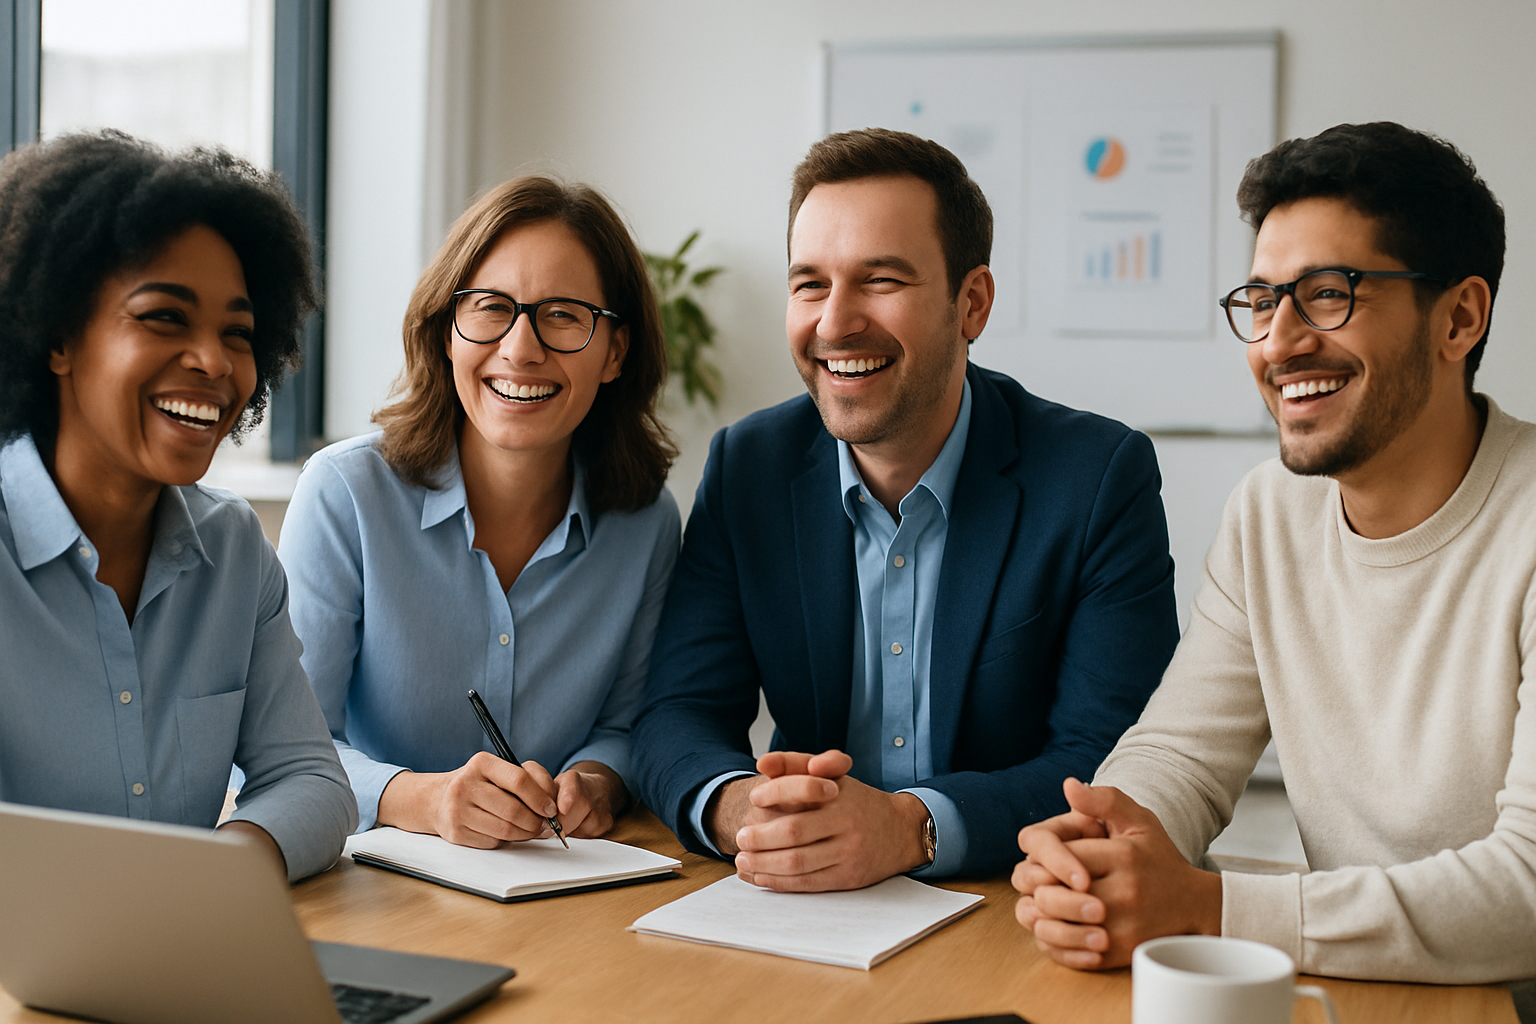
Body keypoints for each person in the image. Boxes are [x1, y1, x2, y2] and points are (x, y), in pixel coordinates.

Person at [1013, 121, 1536, 984]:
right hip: (1358, 992)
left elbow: (1525, 887)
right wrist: (1104, 840)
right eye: (1261, 300)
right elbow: (1180, 752)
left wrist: (1209, 908)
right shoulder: (1270, 511)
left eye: (1329, 293)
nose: (1279, 341)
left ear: (1460, 317)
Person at [631, 128, 1180, 891]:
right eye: (810, 284)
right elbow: (676, 712)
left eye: (880, 280)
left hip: (1014, 899)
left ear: (972, 303)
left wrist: (913, 828)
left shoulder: (1095, 477)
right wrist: (742, 808)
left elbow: (1113, 757)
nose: (833, 322)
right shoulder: (746, 468)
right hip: (808, 908)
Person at [278, 176, 679, 848]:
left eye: (562, 315)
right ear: (445, 331)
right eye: (491, 307)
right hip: (374, 890)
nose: (521, 349)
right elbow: (284, 749)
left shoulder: (646, 522)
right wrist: (422, 799)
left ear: (614, 352)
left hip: (562, 889)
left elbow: (628, 725)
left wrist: (597, 781)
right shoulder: (345, 494)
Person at [0, 131, 357, 882]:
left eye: (238, 332)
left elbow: (314, 783)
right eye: (165, 317)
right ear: (58, 336)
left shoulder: (234, 550)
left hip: (184, 965)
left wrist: (213, 876)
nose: (216, 361)